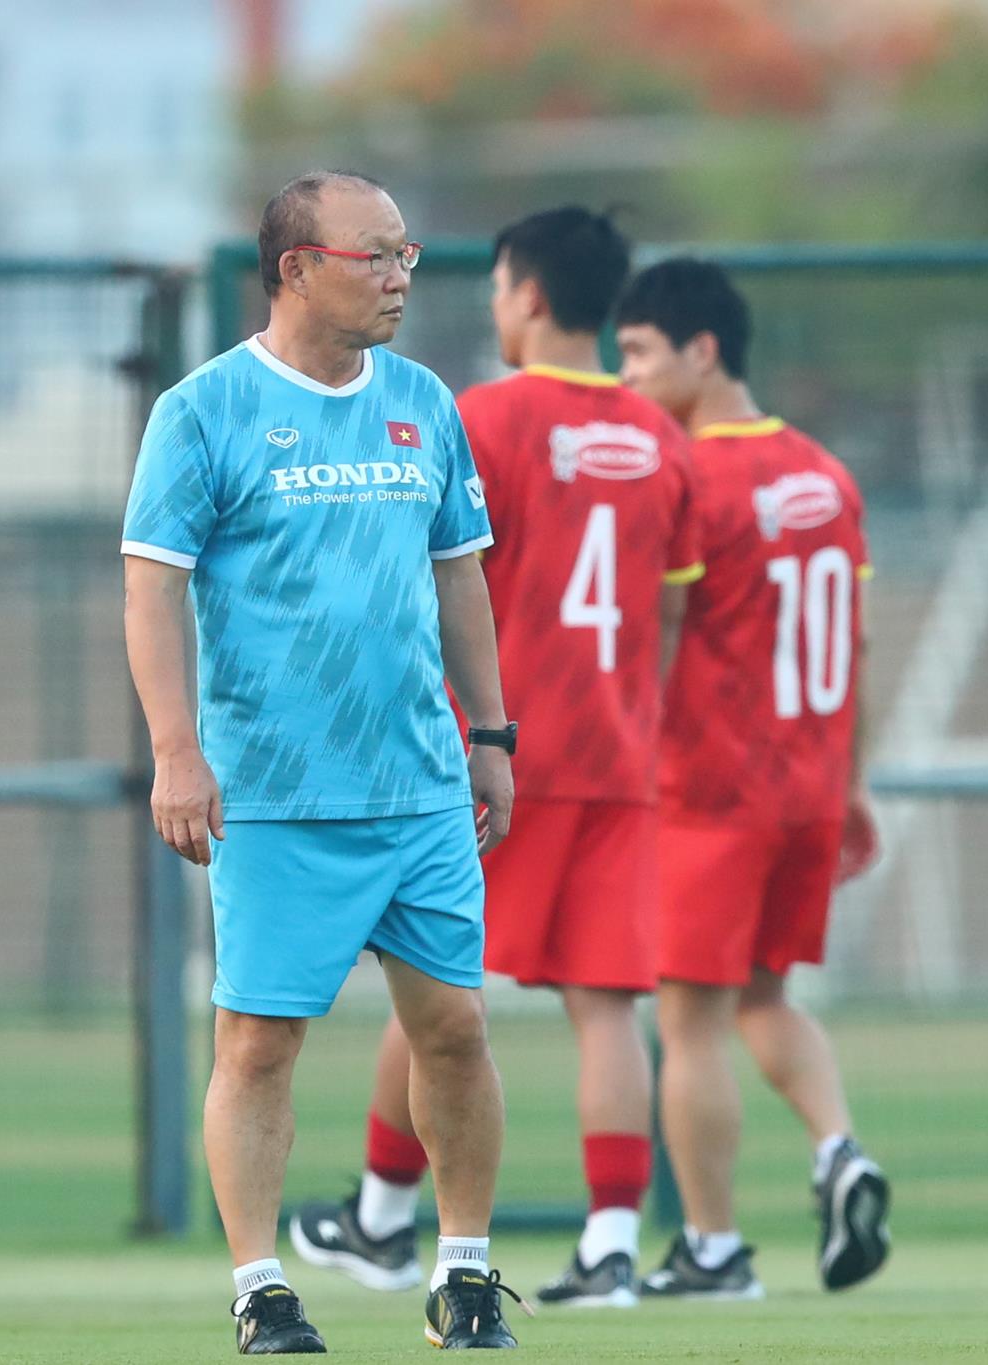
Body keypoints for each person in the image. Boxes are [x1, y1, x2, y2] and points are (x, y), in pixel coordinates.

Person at [122, 171, 528, 1353]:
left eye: (408, 255)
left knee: (455, 1029)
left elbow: (458, 573)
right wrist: (175, 754)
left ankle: (462, 1276)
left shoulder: (421, 401)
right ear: (298, 269)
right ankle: (261, 1291)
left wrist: (489, 734)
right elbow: (150, 588)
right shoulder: (201, 411)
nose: (400, 277)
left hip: (418, 788)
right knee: (258, 1043)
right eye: (376, 256)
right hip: (275, 794)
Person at [290, 207, 702, 1309]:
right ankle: (610, 1246)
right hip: (616, 756)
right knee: (606, 1009)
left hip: (492, 752)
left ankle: (381, 1218)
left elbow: (431, 583)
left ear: (526, 294)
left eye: (494, 288)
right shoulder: (661, 438)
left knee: (432, 991)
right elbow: (667, 616)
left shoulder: (480, 417)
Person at [615, 256, 891, 1298]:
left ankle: (714, 1247)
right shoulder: (825, 474)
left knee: (685, 1023)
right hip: (807, 790)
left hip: (709, 790)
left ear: (703, 350)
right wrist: (851, 783)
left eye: (640, 353)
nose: (628, 376)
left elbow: (658, 631)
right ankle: (838, 1150)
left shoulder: (688, 477)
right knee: (764, 997)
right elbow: (855, 643)